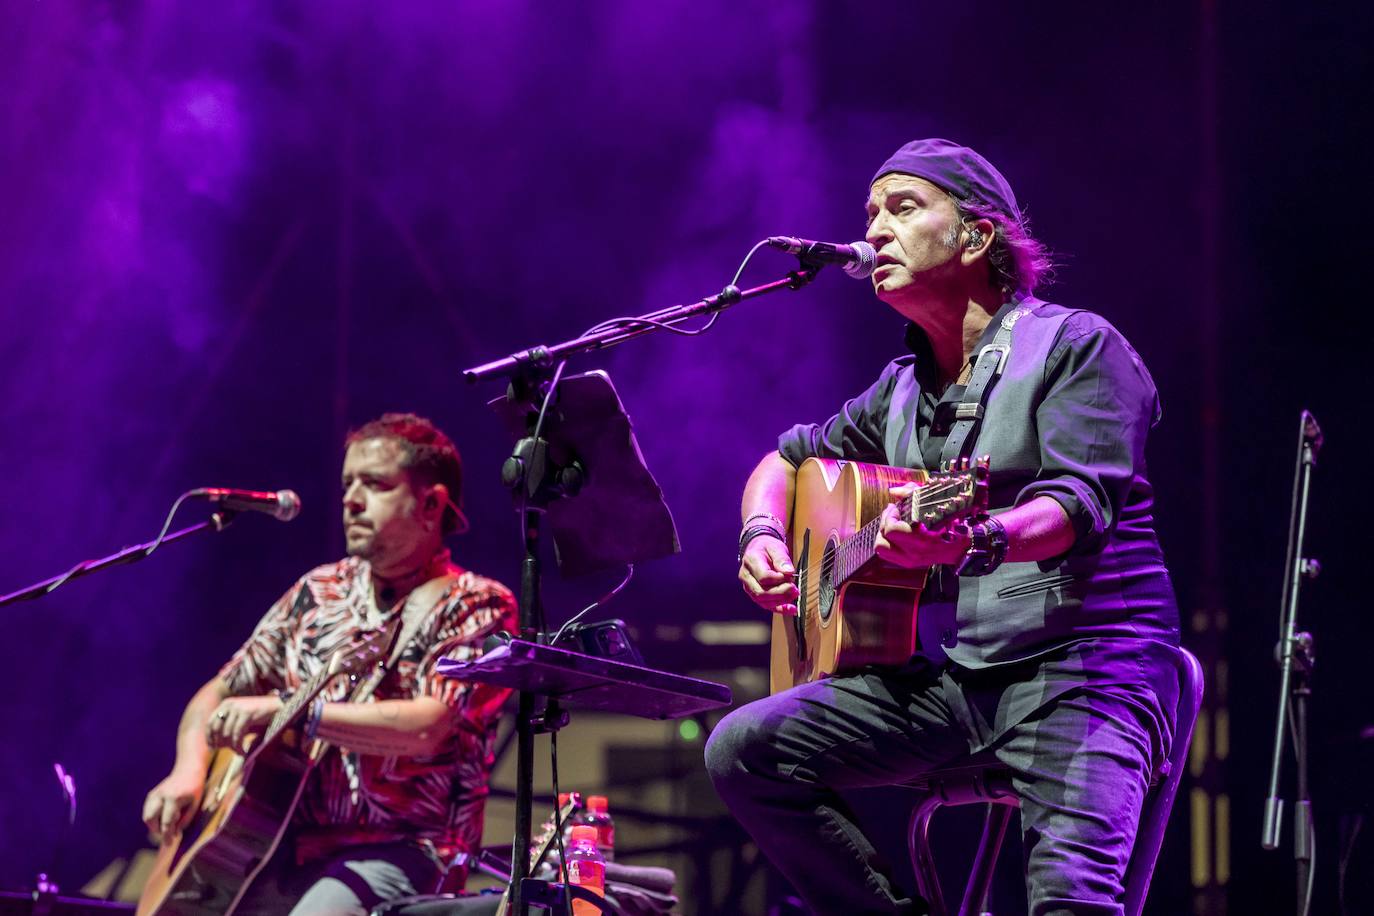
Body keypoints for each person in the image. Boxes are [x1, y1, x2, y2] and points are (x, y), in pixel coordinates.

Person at [705, 139, 1181, 915]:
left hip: (1092, 673)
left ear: (976, 236)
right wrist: (760, 535)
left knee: (1071, 902)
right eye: (869, 214)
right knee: (742, 751)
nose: (875, 232)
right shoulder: (899, 389)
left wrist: (975, 539)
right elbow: (783, 461)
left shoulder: (1076, 347)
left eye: (902, 207)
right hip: (967, 685)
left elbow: (1079, 504)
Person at [141, 412, 517, 915]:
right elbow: (218, 693)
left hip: (400, 851)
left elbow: (430, 725)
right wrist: (188, 771)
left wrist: (295, 712)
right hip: (273, 843)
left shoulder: (476, 604)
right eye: (348, 484)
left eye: (376, 484)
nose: (351, 499)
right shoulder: (319, 591)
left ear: (431, 504)